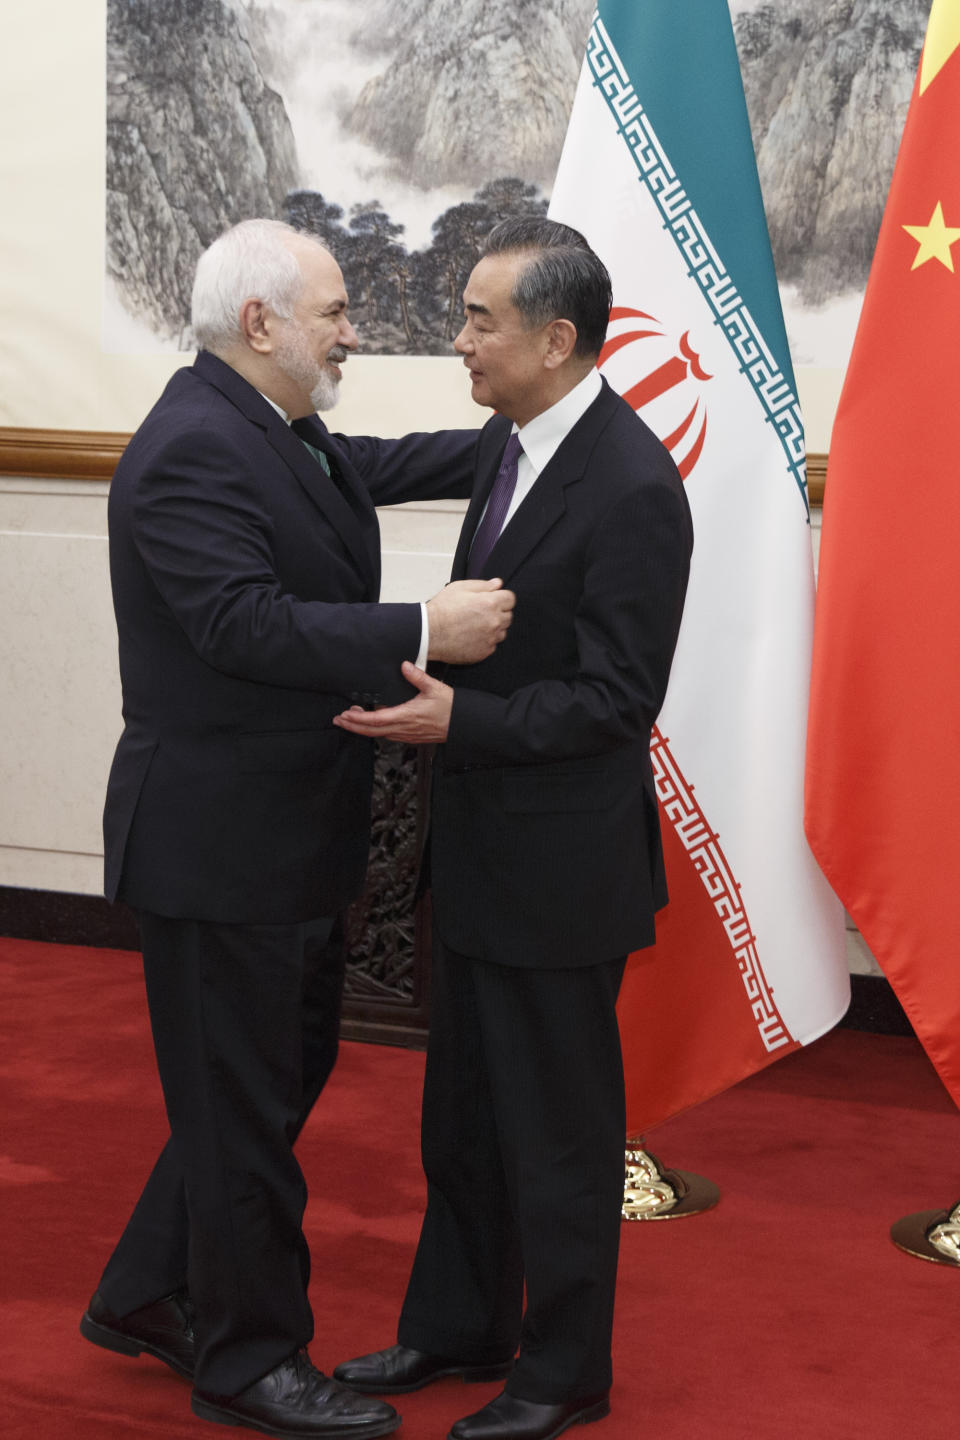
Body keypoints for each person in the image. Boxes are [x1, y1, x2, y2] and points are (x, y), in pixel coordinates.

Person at [79, 217, 515, 1440]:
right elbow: (243, 628)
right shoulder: (187, 451)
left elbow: (374, 461)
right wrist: (421, 626)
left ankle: (142, 1292)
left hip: (285, 840)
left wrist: (528, 432)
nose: (352, 329)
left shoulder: (280, 430)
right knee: (246, 1114)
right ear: (260, 322)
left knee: (258, 1093)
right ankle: (248, 1360)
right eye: (334, 310)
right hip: (219, 850)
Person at [331, 218, 693, 1440]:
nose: (461, 340)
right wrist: (265, 429)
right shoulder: (512, 441)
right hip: (484, 857)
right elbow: (376, 461)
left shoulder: (635, 486)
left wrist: (457, 722)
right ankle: (459, 1326)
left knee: (560, 1135)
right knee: (464, 1119)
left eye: (480, 319)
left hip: (562, 873)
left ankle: (563, 1371)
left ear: (557, 338)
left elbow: (615, 701)